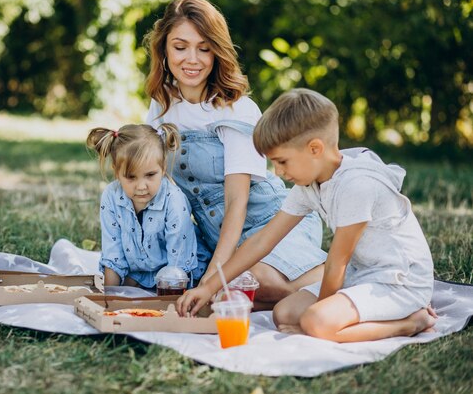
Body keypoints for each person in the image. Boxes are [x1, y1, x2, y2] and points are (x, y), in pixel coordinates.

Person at [177, 88, 437, 342]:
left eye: (282, 161)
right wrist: (208, 287)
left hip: (399, 280)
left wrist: (317, 317)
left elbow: (337, 262)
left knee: (316, 322)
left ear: (315, 149)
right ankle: (333, 320)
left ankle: (411, 322)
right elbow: (262, 241)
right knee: (284, 314)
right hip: (362, 274)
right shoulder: (310, 184)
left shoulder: (357, 186)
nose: (277, 172)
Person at [144, 0, 326, 308]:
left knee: (255, 282)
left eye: (204, 48)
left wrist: (215, 274)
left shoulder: (236, 108)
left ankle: (349, 283)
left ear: (217, 52)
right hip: (214, 235)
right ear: (163, 49)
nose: (193, 59)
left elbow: (236, 202)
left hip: (267, 222)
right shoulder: (161, 107)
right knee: (165, 278)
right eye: (180, 46)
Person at [86, 123, 206, 289]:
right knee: (122, 291)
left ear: (163, 167)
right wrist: (109, 299)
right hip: (140, 271)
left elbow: (178, 265)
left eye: (150, 175)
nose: (141, 186)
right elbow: (113, 256)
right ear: (116, 172)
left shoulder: (174, 200)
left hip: (178, 273)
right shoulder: (111, 196)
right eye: (131, 177)